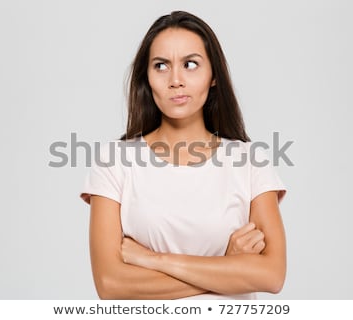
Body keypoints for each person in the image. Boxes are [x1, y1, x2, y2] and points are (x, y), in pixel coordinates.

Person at [80, 10, 287, 300]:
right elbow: (110, 284)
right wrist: (228, 267)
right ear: (147, 78)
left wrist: (153, 260)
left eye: (190, 64)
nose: (175, 80)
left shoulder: (250, 161)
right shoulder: (114, 161)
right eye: (161, 66)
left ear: (213, 76)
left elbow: (271, 275)